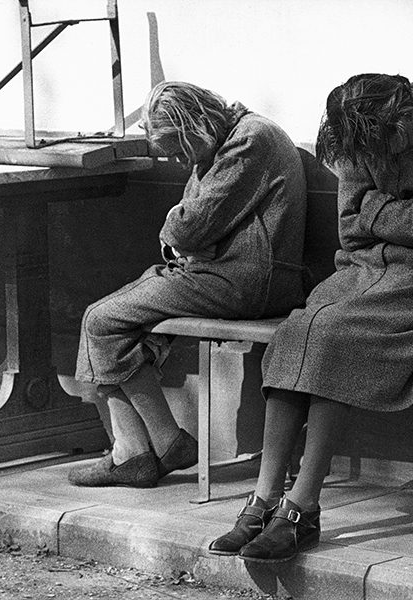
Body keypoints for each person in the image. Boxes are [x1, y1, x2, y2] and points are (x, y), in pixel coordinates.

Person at [208, 74, 413, 562]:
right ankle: (263, 501)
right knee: (298, 330)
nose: (376, 160)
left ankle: (303, 506)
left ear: (405, 116)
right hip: (369, 269)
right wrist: (403, 214)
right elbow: (351, 227)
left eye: (384, 146)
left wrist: (376, 212)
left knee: (334, 333)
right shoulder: (354, 131)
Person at [68, 81, 308, 488]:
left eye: (179, 148)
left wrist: (180, 234)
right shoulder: (221, 140)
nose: (179, 161)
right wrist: (184, 237)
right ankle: (136, 454)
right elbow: (190, 229)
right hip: (232, 276)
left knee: (100, 320)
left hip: (244, 282)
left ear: (195, 122)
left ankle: (160, 444)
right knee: (122, 328)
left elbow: (187, 226)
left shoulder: (248, 141)